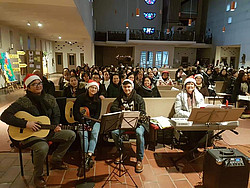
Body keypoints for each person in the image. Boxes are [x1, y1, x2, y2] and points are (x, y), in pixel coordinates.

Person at [1, 74, 76, 188]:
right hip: (30, 135)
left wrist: (55, 125)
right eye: (34, 84)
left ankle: (56, 159)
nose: (38, 86)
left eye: (39, 83)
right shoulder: (23, 101)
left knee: (70, 135)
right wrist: (26, 123)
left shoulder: (50, 98)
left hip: (47, 130)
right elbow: (4, 116)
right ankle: (38, 176)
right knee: (42, 147)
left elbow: (56, 114)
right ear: (28, 87)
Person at [110, 79, 148, 173]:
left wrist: (135, 116)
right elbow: (112, 107)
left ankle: (139, 159)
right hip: (123, 123)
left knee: (139, 133)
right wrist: (121, 110)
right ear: (122, 88)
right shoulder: (120, 98)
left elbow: (143, 112)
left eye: (129, 87)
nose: (127, 89)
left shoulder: (138, 98)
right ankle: (121, 151)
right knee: (114, 133)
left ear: (132, 87)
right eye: (125, 87)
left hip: (137, 123)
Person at [174, 77, 211, 149]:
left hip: (197, 118)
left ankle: (193, 147)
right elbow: (177, 110)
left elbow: (201, 108)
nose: (190, 86)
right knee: (193, 131)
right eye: (188, 84)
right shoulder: (180, 96)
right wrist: (190, 115)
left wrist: (197, 115)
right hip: (184, 118)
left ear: (194, 86)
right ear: (185, 86)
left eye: (192, 84)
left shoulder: (199, 95)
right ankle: (193, 148)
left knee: (206, 129)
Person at [73, 80, 101, 172]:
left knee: (95, 133)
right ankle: (85, 156)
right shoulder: (81, 98)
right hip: (82, 120)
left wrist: (92, 125)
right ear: (88, 88)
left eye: (95, 88)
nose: (93, 89)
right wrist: (83, 122)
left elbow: (97, 114)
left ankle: (89, 155)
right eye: (92, 87)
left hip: (93, 121)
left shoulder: (98, 100)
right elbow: (75, 112)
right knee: (83, 134)